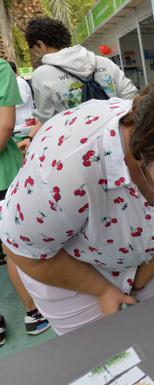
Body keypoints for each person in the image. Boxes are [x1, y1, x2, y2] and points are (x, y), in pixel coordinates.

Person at [0, 81, 154, 335]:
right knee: (102, 355)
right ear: (143, 152)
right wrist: (102, 290)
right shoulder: (66, 169)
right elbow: (23, 252)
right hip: (67, 268)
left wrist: (145, 273)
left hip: (142, 253)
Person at [0, 59, 50, 343]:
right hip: (4, 178)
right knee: (14, 247)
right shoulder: (1, 69)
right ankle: (33, 312)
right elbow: (5, 125)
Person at [24, 17, 137, 125]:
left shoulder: (42, 74)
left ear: (41, 44)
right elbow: (130, 96)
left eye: (36, 50)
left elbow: (47, 118)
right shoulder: (104, 62)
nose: (37, 53)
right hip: (116, 136)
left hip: (77, 142)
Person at [7, 61, 36, 140]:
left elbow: (22, 100)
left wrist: (5, 106)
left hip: (25, 121)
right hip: (21, 122)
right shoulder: (15, 83)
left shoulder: (19, 83)